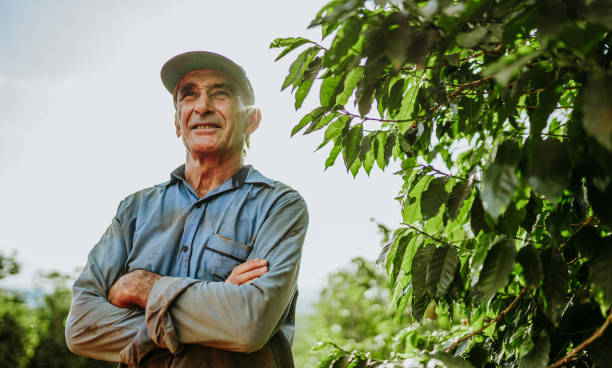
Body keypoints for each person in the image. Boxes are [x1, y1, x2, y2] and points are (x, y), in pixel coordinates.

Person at [65, 51, 309, 367]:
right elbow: (82, 327)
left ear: (251, 120)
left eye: (220, 93)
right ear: (178, 123)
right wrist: (218, 308)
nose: (203, 106)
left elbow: (249, 326)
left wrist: (142, 287)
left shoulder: (278, 206)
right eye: (189, 94)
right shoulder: (135, 210)